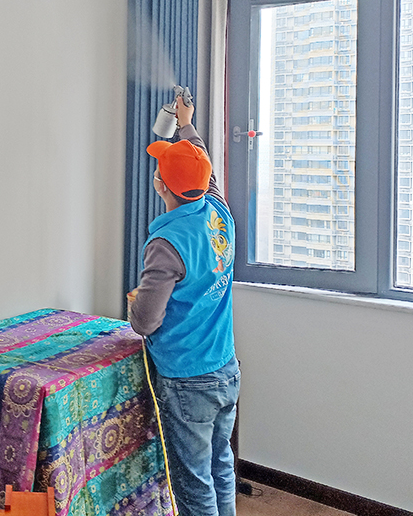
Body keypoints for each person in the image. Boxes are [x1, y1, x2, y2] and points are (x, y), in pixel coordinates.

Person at [127, 95, 239, 516]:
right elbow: (203, 166)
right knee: (221, 466)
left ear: (160, 186)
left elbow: (145, 322)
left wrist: (136, 302)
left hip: (188, 379)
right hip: (226, 368)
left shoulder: (166, 243)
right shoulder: (218, 213)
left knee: (193, 484)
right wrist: (187, 125)